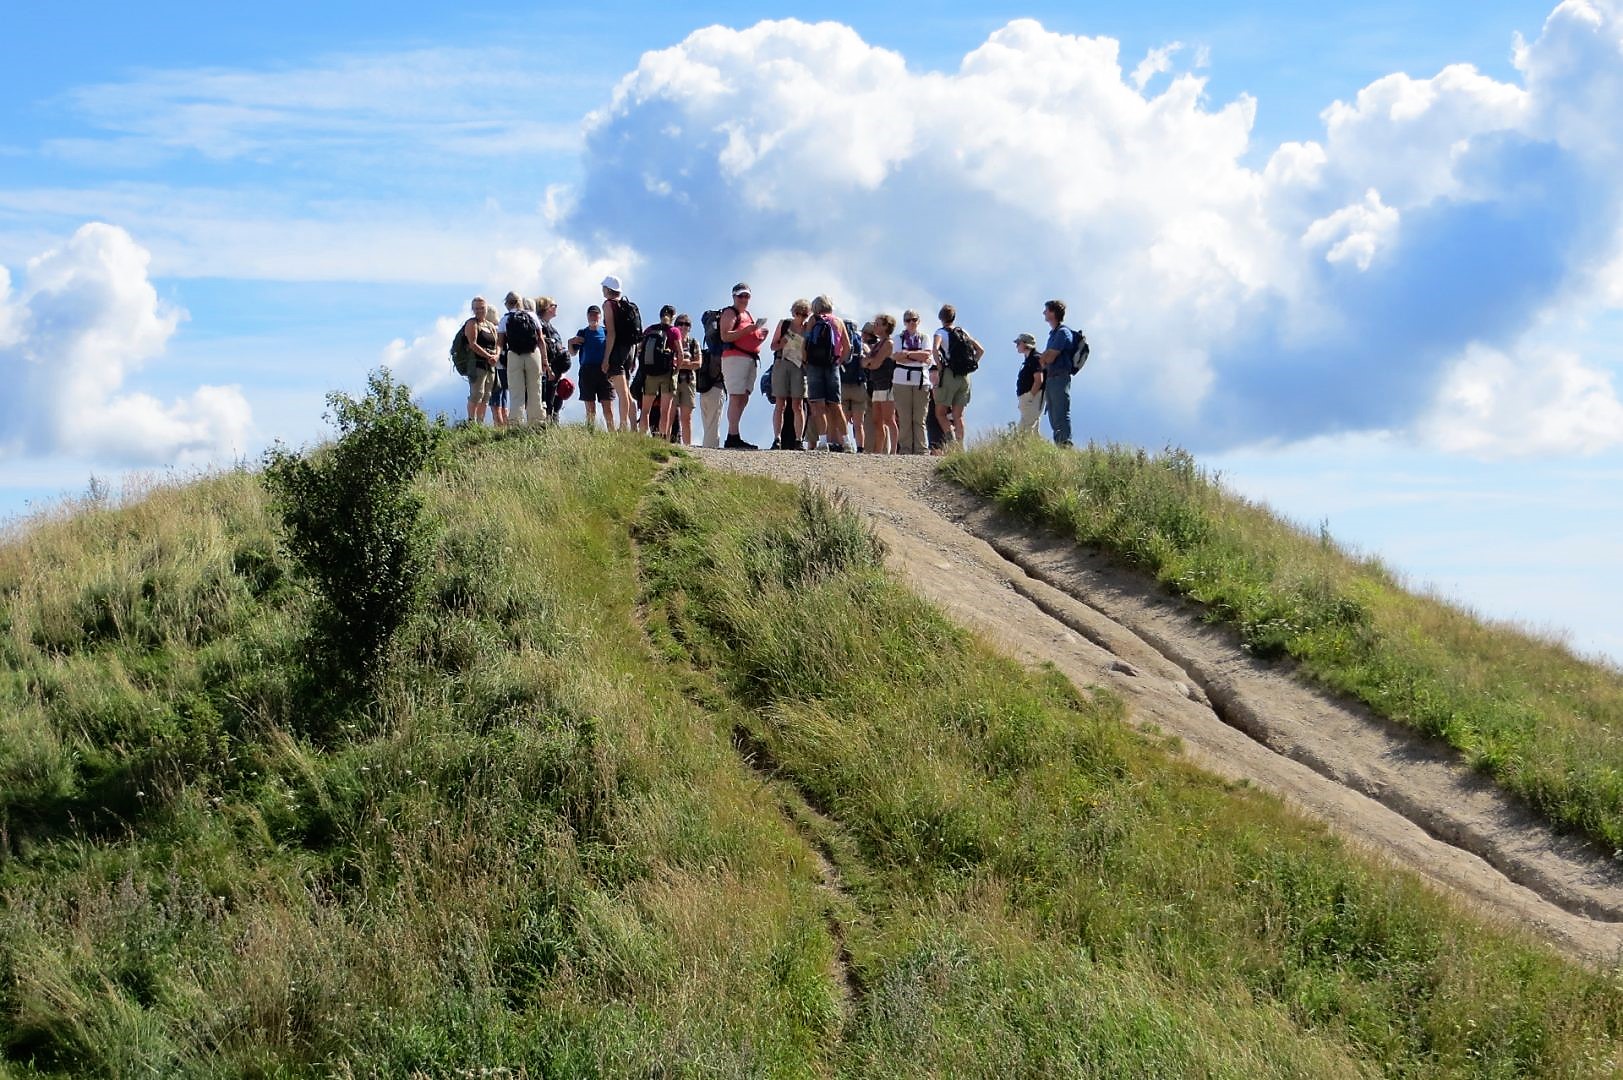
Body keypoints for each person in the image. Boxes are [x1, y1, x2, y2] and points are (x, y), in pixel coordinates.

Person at [719, 282, 769, 449]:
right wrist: (748, 331)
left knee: (744, 396)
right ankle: (733, 436)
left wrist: (760, 336)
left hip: (749, 358)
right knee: (735, 395)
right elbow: (725, 336)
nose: (743, 299)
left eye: (746, 295)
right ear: (734, 296)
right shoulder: (730, 312)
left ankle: (734, 434)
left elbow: (749, 337)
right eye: (740, 295)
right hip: (735, 358)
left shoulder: (748, 314)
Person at [933, 304, 983, 448]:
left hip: (950, 374)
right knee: (958, 415)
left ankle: (951, 442)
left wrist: (940, 367)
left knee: (941, 413)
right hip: (965, 377)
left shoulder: (940, 332)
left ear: (940, 318)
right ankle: (960, 446)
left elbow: (935, 349)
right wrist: (972, 364)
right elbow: (980, 350)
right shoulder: (963, 332)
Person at [804, 295, 849, 452]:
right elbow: (848, 347)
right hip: (832, 365)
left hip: (815, 366)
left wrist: (806, 362)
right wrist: (838, 361)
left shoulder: (813, 320)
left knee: (818, 405)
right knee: (836, 405)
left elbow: (806, 343)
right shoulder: (838, 322)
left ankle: (822, 442)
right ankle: (847, 441)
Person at [498, 291, 548, 429]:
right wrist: (545, 360)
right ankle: (537, 423)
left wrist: (496, 356)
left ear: (507, 304)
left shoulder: (505, 319)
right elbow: (541, 340)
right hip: (533, 354)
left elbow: (500, 343)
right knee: (535, 389)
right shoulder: (532, 316)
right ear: (520, 302)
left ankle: (515, 424)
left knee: (516, 391)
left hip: (514, 355)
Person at [769, 299, 811, 449]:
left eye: (805, 314)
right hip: (782, 362)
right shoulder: (784, 324)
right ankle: (777, 438)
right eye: (799, 313)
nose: (801, 317)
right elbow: (773, 346)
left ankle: (799, 439)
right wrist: (783, 342)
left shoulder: (808, 329)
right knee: (780, 402)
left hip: (799, 366)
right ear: (793, 312)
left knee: (798, 404)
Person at [600, 275, 639, 432]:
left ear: (608, 289)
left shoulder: (609, 305)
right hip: (630, 350)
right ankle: (634, 428)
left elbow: (611, 333)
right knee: (627, 392)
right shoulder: (626, 305)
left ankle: (623, 427)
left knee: (622, 393)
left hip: (617, 351)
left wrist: (606, 358)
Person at [892, 310, 932, 454]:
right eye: (908, 320)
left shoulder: (924, 337)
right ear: (904, 322)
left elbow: (927, 355)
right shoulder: (898, 338)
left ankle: (921, 449)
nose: (911, 323)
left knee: (920, 418)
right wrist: (917, 356)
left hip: (921, 381)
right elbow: (896, 356)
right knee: (904, 417)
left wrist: (907, 354)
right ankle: (906, 449)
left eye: (914, 320)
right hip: (901, 381)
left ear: (918, 321)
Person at [1039, 299, 1077, 447]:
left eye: (1046, 310)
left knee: (1060, 413)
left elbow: (1050, 357)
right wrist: (1045, 356)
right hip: (1051, 378)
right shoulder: (1054, 334)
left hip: (1060, 377)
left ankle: (1065, 445)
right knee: (1054, 416)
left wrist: (1046, 355)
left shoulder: (1063, 332)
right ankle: (1060, 445)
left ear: (1053, 313)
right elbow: (1044, 359)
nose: (1044, 313)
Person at [638, 305, 681, 438]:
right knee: (665, 410)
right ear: (673, 317)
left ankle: (641, 436)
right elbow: (680, 353)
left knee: (645, 410)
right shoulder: (674, 331)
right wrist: (676, 369)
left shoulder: (650, 330)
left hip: (650, 373)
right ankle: (663, 438)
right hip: (667, 373)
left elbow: (640, 349)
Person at [569, 305, 614, 430]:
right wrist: (570, 343)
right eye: (591, 315)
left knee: (607, 405)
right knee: (590, 406)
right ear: (587, 316)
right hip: (587, 371)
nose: (593, 317)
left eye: (596, 314)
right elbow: (572, 353)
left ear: (600, 316)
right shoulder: (582, 333)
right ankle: (590, 431)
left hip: (604, 370)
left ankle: (612, 432)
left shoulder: (606, 332)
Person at [462, 296, 500, 425]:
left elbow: (497, 344)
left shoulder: (490, 326)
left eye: (482, 308)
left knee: (487, 395)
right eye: (476, 308)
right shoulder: (472, 324)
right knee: (477, 393)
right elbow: (472, 344)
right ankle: (472, 421)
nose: (479, 311)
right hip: (477, 364)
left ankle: (480, 422)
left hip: (490, 365)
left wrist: (496, 356)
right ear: (472, 309)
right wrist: (488, 356)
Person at [864, 315, 898, 455]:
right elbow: (864, 362)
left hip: (887, 383)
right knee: (877, 419)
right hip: (876, 383)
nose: (875, 327)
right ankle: (878, 451)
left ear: (885, 326)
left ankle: (893, 451)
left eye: (878, 324)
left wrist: (870, 362)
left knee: (889, 418)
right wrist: (870, 362)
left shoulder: (889, 343)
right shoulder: (878, 344)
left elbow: (875, 363)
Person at [696, 309, 727, 449]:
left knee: (707, 422)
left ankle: (707, 448)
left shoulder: (709, 344)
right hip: (716, 386)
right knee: (713, 423)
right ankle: (709, 451)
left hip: (704, 386)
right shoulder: (721, 346)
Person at [535, 296, 569, 423]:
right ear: (546, 308)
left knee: (555, 399)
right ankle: (546, 423)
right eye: (554, 305)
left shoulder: (550, 327)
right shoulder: (540, 326)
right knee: (546, 399)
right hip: (547, 369)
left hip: (556, 370)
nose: (556, 308)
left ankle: (552, 421)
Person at [839, 315, 870, 452]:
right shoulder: (861, 344)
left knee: (843, 420)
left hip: (843, 384)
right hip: (859, 385)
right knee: (859, 423)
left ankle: (844, 446)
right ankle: (860, 448)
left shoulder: (840, 342)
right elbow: (869, 358)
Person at [672, 313, 701, 446]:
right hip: (673, 380)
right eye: (680, 324)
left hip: (688, 382)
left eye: (687, 324)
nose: (683, 327)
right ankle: (666, 443)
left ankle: (688, 446)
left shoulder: (693, 343)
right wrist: (687, 363)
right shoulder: (671, 342)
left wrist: (681, 363)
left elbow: (698, 363)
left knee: (686, 417)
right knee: (670, 414)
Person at [1013, 332, 1045, 434]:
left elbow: (1039, 380)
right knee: (1032, 432)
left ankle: (1020, 449)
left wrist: (1030, 397)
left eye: (1018, 343)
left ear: (1025, 344)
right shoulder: (1029, 359)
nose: (1017, 345)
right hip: (1030, 399)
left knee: (1023, 431)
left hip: (1033, 398)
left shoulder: (1035, 358)